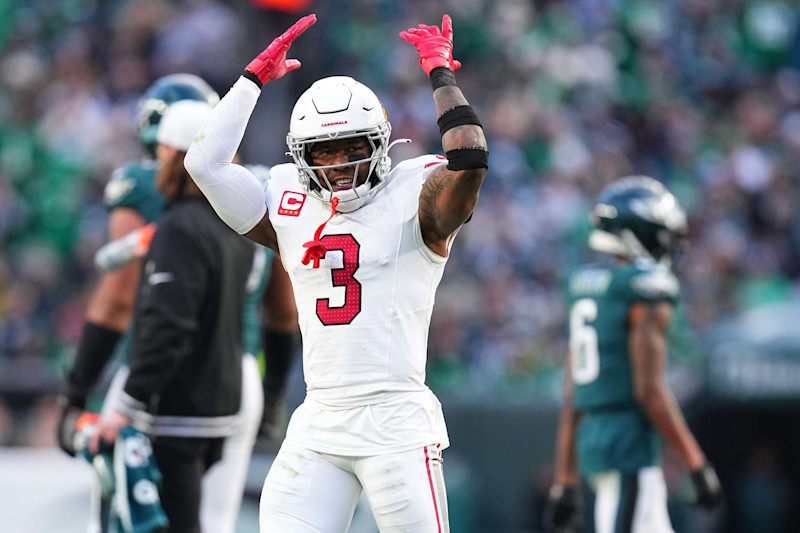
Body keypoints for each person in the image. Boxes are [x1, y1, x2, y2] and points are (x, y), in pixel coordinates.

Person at [184, 12, 488, 532]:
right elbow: (204, 165)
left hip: (395, 423)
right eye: (326, 152)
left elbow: (471, 158)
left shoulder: (417, 194)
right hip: (319, 423)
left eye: (355, 149)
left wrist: (441, 75)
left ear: (381, 144)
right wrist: (252, 79)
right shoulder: (289, 202)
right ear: (302, 158)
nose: (342, 165)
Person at [58, 74, 298, 533]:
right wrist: (271, 402)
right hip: (238, 380)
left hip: (166, 384)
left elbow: (118, 302)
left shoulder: (159, 200)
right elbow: (283, 312)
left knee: (127, 514)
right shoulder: (256, 193)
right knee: (216, 522)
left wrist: (79, 392)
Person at [88, 99, 253, 533]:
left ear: (173, 155)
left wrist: (127, 403)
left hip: (179, 411)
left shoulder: (180, 226)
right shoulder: (236, 225)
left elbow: (168, 326)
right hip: (221, 403)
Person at [545, 176, 722, 533]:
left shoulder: (587, 287)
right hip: (629, 450)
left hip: (598, 445)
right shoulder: (644, 289)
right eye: (663, 230)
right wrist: (696, 463)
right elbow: (649, 391)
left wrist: (564, 479)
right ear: (643, 230)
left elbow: (573, 394)